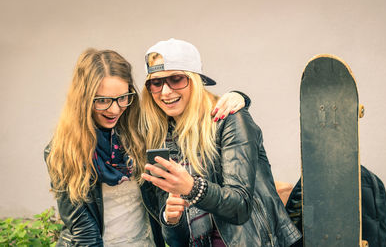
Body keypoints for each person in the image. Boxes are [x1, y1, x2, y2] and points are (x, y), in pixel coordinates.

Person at [45, 48, 246, 246]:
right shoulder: (63, 150)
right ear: (83, 99)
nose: (115, 109)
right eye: (103, 101)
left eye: (122, 98)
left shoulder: (141, 133)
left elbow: (188, 107)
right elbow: (84, 234)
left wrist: (239, 96)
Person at [140, 38, 302, 246]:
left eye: (176, 79)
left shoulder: (229, 119)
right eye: (156, 82)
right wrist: (171, 220)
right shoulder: (160, 138)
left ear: (195, 80)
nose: (165, 91)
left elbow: (240, 206)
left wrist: (192, 187)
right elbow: (177, 241)